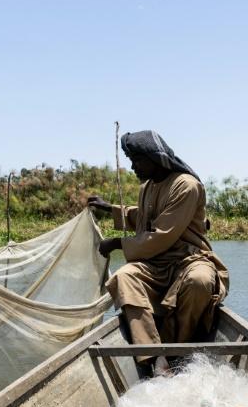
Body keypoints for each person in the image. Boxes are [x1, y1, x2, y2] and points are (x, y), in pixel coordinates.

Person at [88, 130, 229, 375]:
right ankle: (154, 354)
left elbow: (161, 234)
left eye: (138, 160)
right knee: (124, 277)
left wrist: (117, 243)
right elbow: (144, 217)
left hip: (189, 260)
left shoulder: (186, 186)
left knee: (199, 281)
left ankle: (178, 349)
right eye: (131, 160)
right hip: (156, 264)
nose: (133, 167)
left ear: (156, 158)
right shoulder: (148, 187)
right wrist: (109, 208)